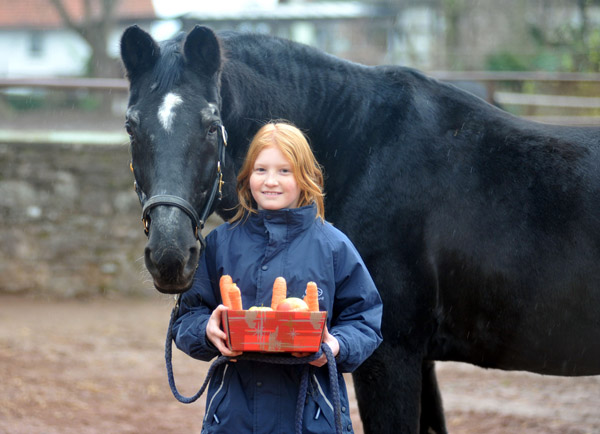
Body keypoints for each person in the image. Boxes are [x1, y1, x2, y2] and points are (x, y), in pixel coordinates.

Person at [172, 121, 383, 433]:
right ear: (246, 177)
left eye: (285, 171)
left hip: (312, 417)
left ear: (305, 176)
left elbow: (365, 319)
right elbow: (187, 316)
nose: (271, 181)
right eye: (261, 170)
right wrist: (207, 330)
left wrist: (334, 346)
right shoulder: (219, 244)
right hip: (234, 418)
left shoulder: (334, 246)